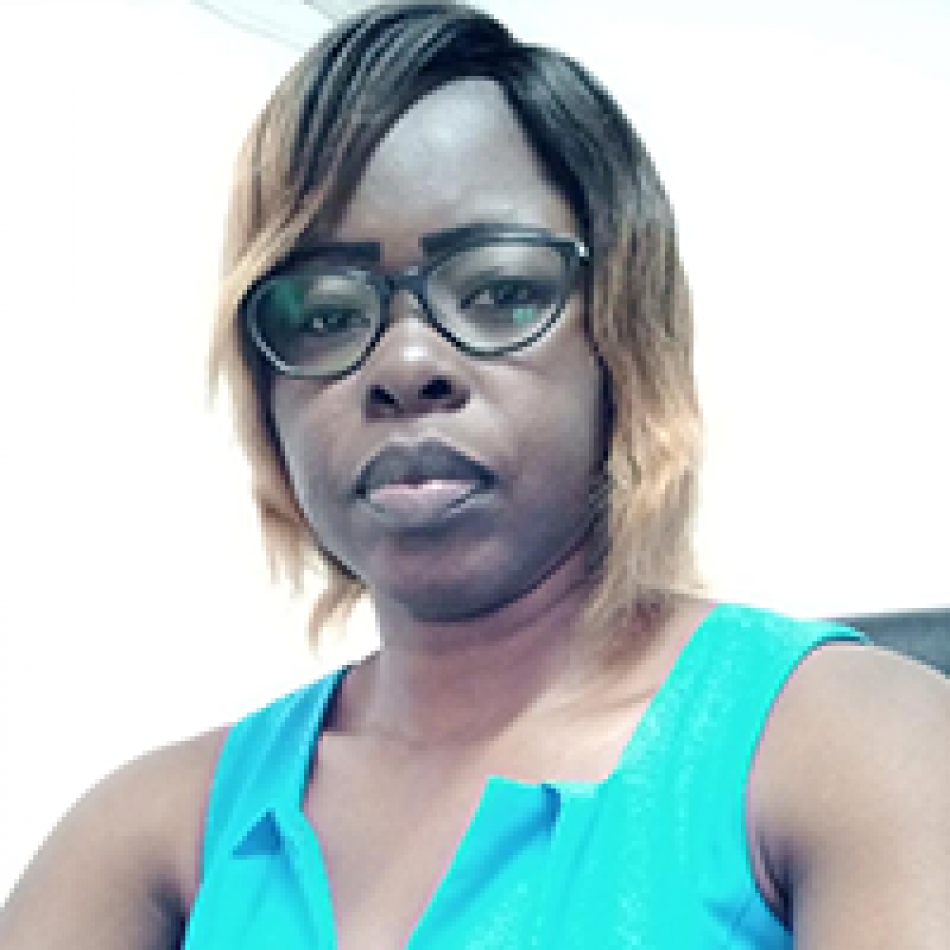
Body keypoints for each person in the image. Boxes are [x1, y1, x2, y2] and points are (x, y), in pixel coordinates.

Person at [2, 3, 948, 948]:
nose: (406, 364)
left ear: (622, 337)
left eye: (500, 291)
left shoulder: (855, 745)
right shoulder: (156, 836)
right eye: (324, 314)